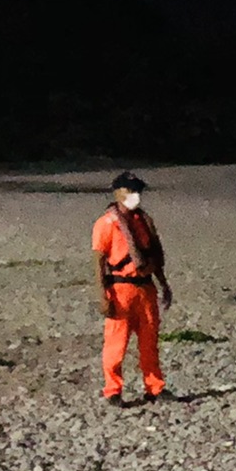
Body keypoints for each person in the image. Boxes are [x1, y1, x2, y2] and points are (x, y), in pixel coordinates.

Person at [92, 171, 174, 405]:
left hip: (146, 287)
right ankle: (113, 390)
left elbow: (153, 256)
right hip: (121, 288)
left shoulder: (143, 221)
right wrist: (102, 294)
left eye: (137, 191)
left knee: (149, 342)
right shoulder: (106, 224)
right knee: (116, 344)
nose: (135, 196)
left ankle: (155, 388)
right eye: (130, 191)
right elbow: (98, 259)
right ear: (117, 193)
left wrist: (163, 283)